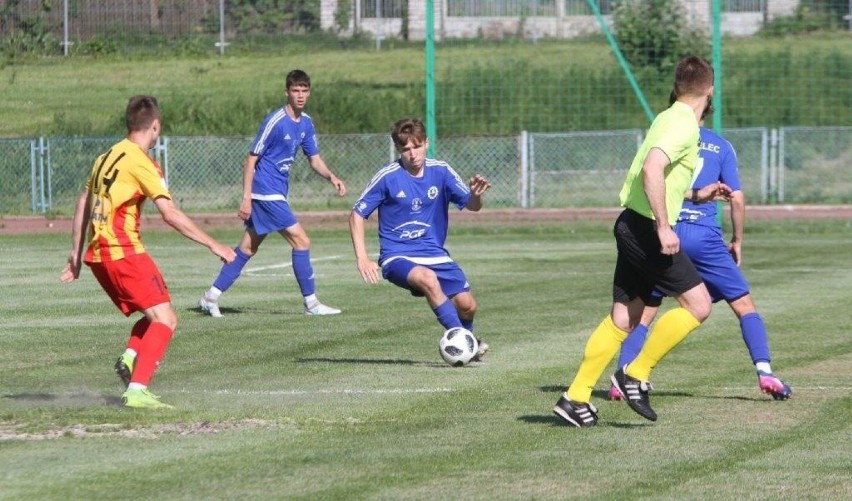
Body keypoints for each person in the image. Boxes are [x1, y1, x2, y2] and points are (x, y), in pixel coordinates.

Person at [552, 55, 729, 427]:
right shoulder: (683, 124)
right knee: (698, 305)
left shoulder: (667, 116)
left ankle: (575, 397)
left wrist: (697, 196)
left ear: (678, 86)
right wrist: (665, 227)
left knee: (624, 317)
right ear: (710, 89)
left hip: (631, 223)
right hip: (647, 228)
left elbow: (660, 175)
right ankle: (634, 372)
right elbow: (652, 168)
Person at [60, 95, 237, 409]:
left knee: (157, 313)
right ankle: (137, 391)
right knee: (166, 320)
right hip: (123, 251)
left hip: (99, 256)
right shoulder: (142, 161)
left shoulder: (106, 155)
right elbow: (170, 213)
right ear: (155, 126)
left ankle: (129, 360)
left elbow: (82, 203)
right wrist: (214, 244)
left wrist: (76, 256)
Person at [607, 123, 792, 401]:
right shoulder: (721, 146)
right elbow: (737, 199)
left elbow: (651, 181)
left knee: (646, 310)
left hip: (666, 232)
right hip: (703, 236)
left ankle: (623, 376)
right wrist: (737, 240)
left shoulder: (667, 139)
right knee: (743, 305)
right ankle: (765, 372)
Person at [198, 69, 346, 317]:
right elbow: (250, 160)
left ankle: (210, 297)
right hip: (265, 192)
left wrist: (332, 177)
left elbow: (314, 159)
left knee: (247, 249)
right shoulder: (275, 121)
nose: (300, 95)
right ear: (287, 92)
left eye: (304, 90)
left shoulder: (306, 123)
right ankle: (312, 304)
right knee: (302, 240)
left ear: (309, 93)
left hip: (277, 192)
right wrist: (246, 198)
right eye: (295, 90)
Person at [349, 117, 492, 360]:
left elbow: (471, 205)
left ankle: (469, 345)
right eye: (405, 149)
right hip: (397, 255)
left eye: (416, 146)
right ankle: (464, 345)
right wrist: (362, 258)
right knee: (428, 279)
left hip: (434, 253)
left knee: (468, 306)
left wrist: (476, 196)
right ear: (399, 149)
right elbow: (356, 214)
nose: (412, 154)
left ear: (426, 143)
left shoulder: (442, 171)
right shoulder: (388, 177)